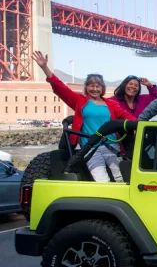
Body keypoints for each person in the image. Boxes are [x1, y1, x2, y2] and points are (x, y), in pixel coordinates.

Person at [31, 51, 133, 182]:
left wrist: (139, 126)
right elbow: (60, 88)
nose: (94, 89)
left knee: (121, 177)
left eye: (97, 86)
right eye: (91, 86)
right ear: (86, 87)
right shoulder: (79, 101)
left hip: (111, 146)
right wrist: (45, 68)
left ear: (102, 88)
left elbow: (127, 117)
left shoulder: (111, 104)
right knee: (101, 180)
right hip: (90, 147)